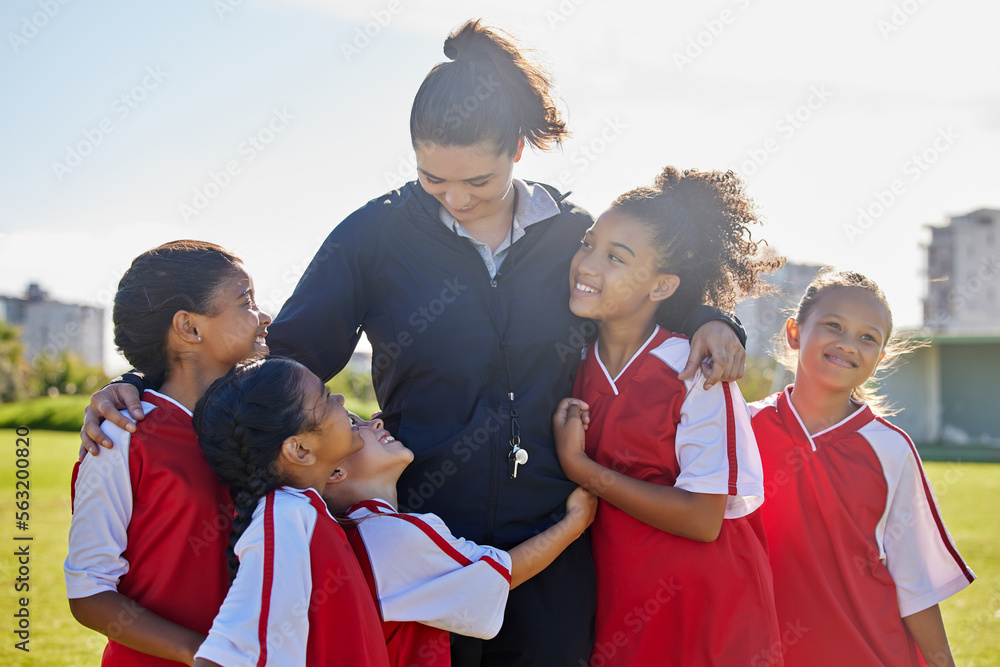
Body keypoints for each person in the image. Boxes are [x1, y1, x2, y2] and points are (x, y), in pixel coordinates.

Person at [81, 20, 747, 665]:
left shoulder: (571, 233)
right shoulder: (373, 237)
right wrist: (142, 384)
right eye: (434, 178)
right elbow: (277, 364)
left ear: (517, 149)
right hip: (421, 549)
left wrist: (718, 318)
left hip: (554, 540)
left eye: (477, 181)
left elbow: (646, 287)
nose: (454, 198)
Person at [552, 166, 783, 666]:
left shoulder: (695, 370)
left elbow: (703, 520)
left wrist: (583, 470)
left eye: (616, 258)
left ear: (661, 287)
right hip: (619, 606)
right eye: (588, 245)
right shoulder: (574, 365)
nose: (587, 264)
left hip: (705, 613)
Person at [749, 270, 975, 666]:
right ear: (794, 332)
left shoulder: (890, 448)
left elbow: (914, 583)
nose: (847, 344)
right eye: (833, 325)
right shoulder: (741, 429)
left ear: (880, 358)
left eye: (867, 337)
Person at [64, 240, 272, 665]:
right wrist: (206, 655)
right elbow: (89, 593)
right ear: (189, 327)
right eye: (246, 301)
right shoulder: (121, 436)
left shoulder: (263, 423)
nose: (264, 316)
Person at [323, 413, 598, 667]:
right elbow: (501, 574)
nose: (376, 421)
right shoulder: (387, 533)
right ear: (335, 473)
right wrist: (575, 523)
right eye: (352, 425)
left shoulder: (355, 530)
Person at [191, 357, 389, 667]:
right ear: (300, 450)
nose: (339, 399)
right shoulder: (285, 518)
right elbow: (222, 660)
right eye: (325, 396)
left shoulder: (304, 513)